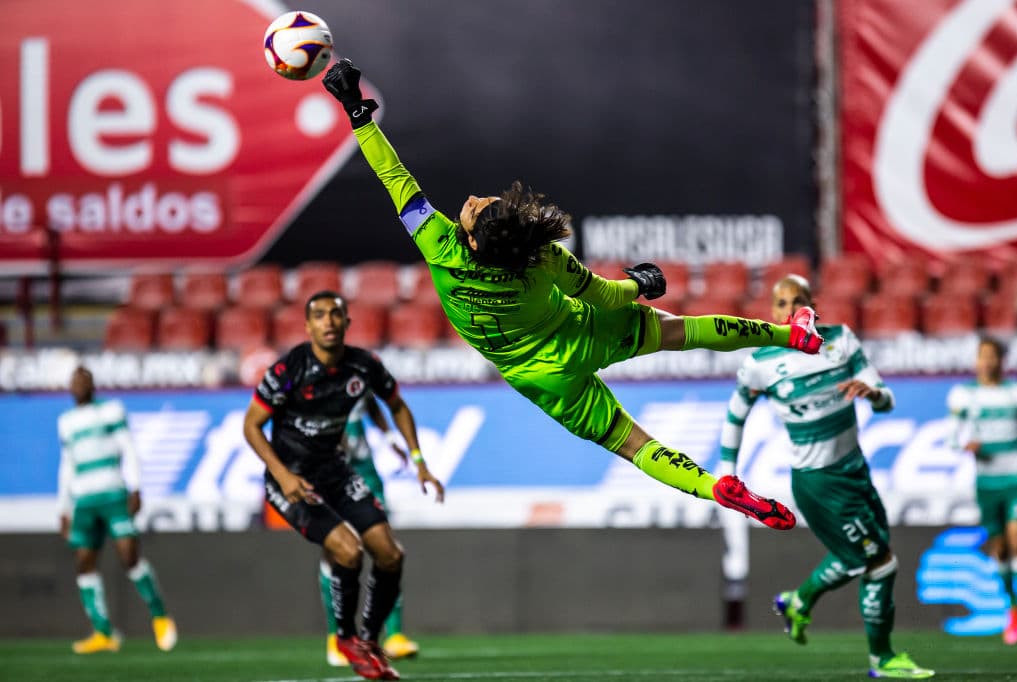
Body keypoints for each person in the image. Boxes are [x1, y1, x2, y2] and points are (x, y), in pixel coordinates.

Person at [320, 59, 824, 532]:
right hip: (582, 331)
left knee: (631, 444)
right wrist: (641, 286)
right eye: (479, 207)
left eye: (477, 207)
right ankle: (790, 335)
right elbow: (605, 296)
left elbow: (394, 178)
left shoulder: (440, 245)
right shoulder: (543, 258)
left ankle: (715, 488)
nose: (473, 200)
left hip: (539, 378)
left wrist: (357, 114)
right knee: (681, 330)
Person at [718, 275, 933, 679]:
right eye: (782, 303)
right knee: (879, 563)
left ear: (812, 304)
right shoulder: (761, 363)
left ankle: (799, 601)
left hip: (856, 469)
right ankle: (882, 660)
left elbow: (886, 397)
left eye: (797, 300)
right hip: (819, 483)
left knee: (863, 556)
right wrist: (727, 472)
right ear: (773, 312)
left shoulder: (841, 340)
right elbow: (735, 415)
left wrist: (873, 394)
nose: (789, 308)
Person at [243, 291, 443, 681]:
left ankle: (367, 640)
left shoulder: (363, 367)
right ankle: (346, 638)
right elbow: (251, 425)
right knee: (347, 552)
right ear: (307, 326)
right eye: (319, 315)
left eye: (336, 314)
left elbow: (397, 405)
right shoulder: (289, 370)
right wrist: (283, 476)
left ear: (348, 322)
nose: (329, 321)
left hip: (334, 471)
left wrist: (419, 462)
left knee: (390, 554)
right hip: (292, 479)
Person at [57, 366, 177, 654]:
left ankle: (160, 615)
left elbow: (129, 448)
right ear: (69, 387)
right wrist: (63, 507)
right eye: (74, 380)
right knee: (84, 562)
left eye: (84, 379)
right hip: (83, 499)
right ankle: (103, 632)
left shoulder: (110, 411)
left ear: (93, 384)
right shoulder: (66, 422)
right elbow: (67, 465)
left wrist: (136, 487)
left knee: (129, 556)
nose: (79, 384)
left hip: (112, 493)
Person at [321, 394, 434, 666]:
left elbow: (370, 401)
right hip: (328, 469)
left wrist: (389, 436)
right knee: (336, 551)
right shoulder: (308, 374)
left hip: (364, 469)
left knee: (386, 547)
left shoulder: (359, 368)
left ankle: (393, 635)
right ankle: (337, 637)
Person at [947, 336, 1017, 645]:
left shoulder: (1016, 393)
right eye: (983, 356)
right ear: (977, 361)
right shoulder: (964, 395)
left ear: (1001, 361)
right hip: (986, 482)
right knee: (1001, 550)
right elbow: (952, 437)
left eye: (993, 356)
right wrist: (965, 445)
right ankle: (1014, 610)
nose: (988, 361)